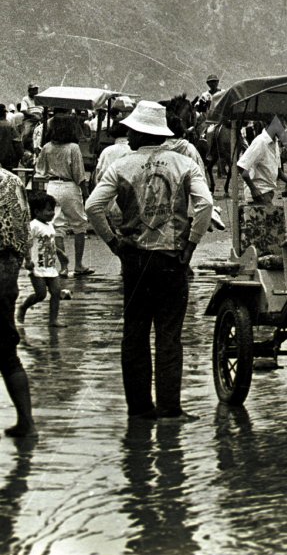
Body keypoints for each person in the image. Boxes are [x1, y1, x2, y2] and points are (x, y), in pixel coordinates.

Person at [85, 100, 213, 422]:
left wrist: (114, 243)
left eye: (130, 130)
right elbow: (206, 205)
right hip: (172, 258)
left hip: (135, 260)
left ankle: (140, 410)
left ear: (141, 133)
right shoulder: (183, 164)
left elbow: (93, 208)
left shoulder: (122, 166)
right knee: (169, 334)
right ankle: (170, 409)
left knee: (135, 333)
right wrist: (191, 246)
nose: (127, 136)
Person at [0, 166, 35, 436]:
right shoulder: (11, 181)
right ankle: (27, 422)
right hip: (5, 273)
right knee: (7, 353)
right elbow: (24, 230)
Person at [34, 114, 92, 277]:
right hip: (70, 186)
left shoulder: (47, 147)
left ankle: (63, 266)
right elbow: (79, 175)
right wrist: (86, 193)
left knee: (57, 226)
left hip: (52, 186)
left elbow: (40, 170)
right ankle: (79, 264)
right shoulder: (73, 147)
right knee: (79, 224)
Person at [18, 191, 67, 326]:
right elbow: (27, 244)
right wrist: (27, 260)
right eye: (49, 210)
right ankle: (23, 308)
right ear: (37, 212)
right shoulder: (33, 226)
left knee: (56, 291)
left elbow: (49, 244)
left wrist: (60, 253)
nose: (52, 213)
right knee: (41, 294)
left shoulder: (49, 225)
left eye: (52, 210)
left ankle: (53, 320)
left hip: (50, 266)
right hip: (37, 266)